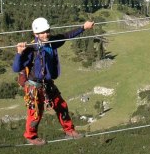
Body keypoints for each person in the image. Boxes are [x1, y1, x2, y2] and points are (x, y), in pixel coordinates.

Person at [13, 17, 95, 145]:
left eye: (47, 31)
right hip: (34, 87)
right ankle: (31, 136)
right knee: (35, 113)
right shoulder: (31, 49)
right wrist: (19, 53)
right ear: (35, 34)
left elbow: (66, 35)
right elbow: (17, 68)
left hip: (48, 84)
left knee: (61, 106)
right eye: (42, 32)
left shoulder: (52, 42)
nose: (46, 34)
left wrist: (83, 27)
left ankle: (69, 130)